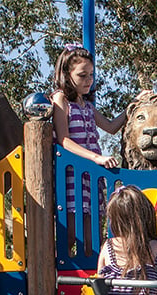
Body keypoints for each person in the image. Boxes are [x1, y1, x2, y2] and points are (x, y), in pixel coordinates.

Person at [51, 44, 127, 255]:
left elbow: (111, 127)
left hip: (90, 177)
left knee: (93, 236)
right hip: (72, 175)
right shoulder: (61, 100)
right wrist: (97, 157)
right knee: (70, 232)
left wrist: (131, 107)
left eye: (91, 75)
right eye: (82, 75)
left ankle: (92, 279)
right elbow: (64, 140)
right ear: (67, 74)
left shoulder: (87, 105)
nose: (88, 80)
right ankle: (58, 274)